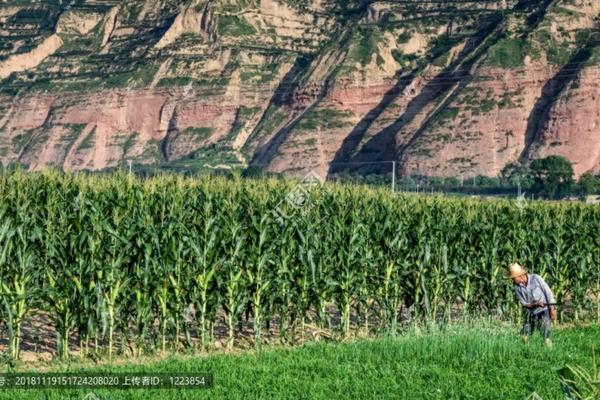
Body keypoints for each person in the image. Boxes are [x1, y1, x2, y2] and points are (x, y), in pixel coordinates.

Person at [506, 262, 557, 347]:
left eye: (513, 278)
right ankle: (525, 351)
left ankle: (549, 352)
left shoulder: (536, 278)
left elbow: (548, 293)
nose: (512, 280)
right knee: (524, 335)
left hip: (543, 310)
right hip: (530, 311)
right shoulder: (516, 287)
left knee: (546, 334)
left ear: (520, 276)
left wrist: (552, 309)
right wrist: (535, 304)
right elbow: (524, 304)